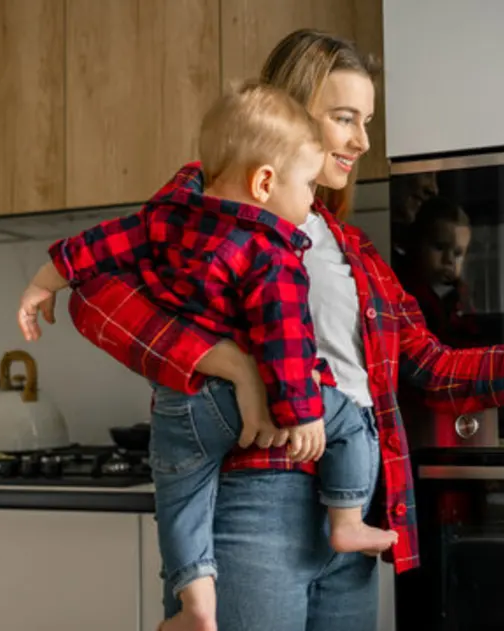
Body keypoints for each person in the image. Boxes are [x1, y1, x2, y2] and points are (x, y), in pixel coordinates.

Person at [16, 28, 504, 631]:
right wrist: (233, 365)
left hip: (353, 511)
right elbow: (95, 301)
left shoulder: (354, 250)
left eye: (366, 121)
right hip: (256, 502)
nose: (363, 141)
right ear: (287, 111)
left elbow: (434, 368)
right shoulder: (209, 202)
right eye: (345, 118)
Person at [19, 81, 396, 631]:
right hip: (253, 447)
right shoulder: (272, 249)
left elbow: (98, 246)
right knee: (351, 420)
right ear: (265, 180)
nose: (361, 140)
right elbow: (286, 342)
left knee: (180, 499)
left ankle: (195, 602)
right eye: (344, 118)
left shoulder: (171, 216)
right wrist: (297, 408)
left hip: (183, 406)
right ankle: (347, 519)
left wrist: (42, 280)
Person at [395, 195, 478, 347]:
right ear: (417, 244)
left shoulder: (461, 295)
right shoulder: (406, 289)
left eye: (458, 253)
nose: (449, 259)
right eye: (439, 247)